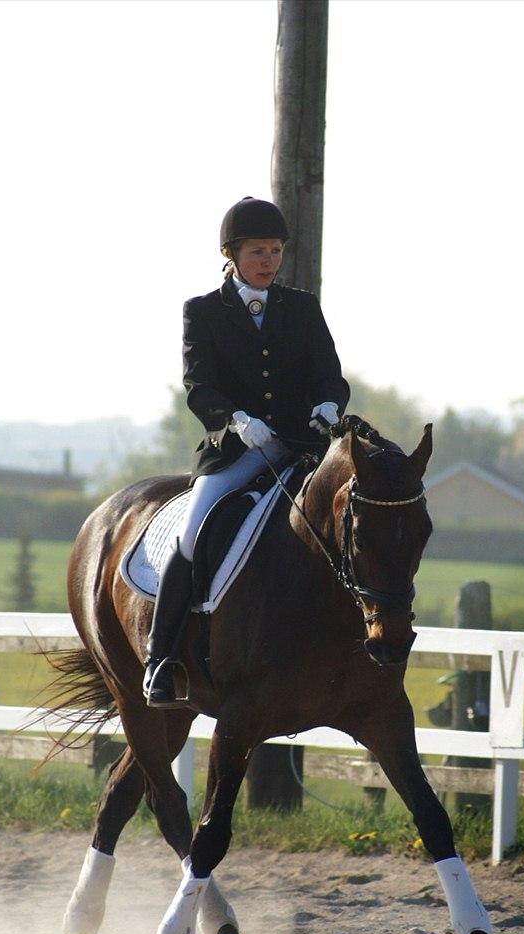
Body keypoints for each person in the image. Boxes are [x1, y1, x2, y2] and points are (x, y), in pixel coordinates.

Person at [143, 196, 350, 706]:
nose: (269, 261)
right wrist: (235, 419)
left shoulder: (301, 308)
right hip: (237, 451)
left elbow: (329, 373)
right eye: (259, 251)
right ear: (231, 254)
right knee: (191, 536)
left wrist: (327, 402)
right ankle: (160, 659)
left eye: (276, 251)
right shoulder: (204, 312)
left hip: (301, 448)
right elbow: (199, 386)